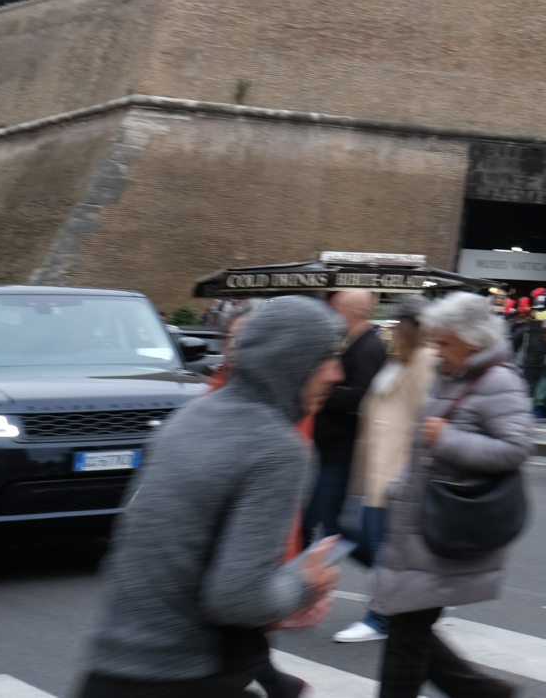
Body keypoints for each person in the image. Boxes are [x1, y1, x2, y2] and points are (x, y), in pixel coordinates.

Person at [76, 297, 345, 698]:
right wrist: (303, 583)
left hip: (111, 668)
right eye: (325, 358)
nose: (336, 374)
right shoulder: (275, 446)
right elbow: (235, 599)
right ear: (293, 360)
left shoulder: (191, 417)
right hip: (187, 675)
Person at [371, 293, 537, 698]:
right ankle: (479, 691)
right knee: (408, 626)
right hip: (417, 522)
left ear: (472, 340)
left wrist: (448, 439)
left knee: (406, 635)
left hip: (441, 527)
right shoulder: (452, 376)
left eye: (444, 342)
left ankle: (478, 691)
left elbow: (516, 448)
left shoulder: (498, 380)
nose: (436, 350)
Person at [333, 295, 432, 646]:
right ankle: (408, 603)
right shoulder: (400, 358)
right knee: (362, 536)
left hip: (397, 468)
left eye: (398, 322)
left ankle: (382, 616)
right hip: (377, 465)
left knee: (379, 544)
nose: (391, 328)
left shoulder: (424, 361)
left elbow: (424, 416)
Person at [306, 291, 384, 547]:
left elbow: (360, 396)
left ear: (349, 312)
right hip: (331, 448)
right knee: (316, 521)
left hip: (339, 449)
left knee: (329, 525)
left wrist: (320, 391)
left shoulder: (366, 348)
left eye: (336, 308)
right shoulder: (356, 342)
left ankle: (376, 560)